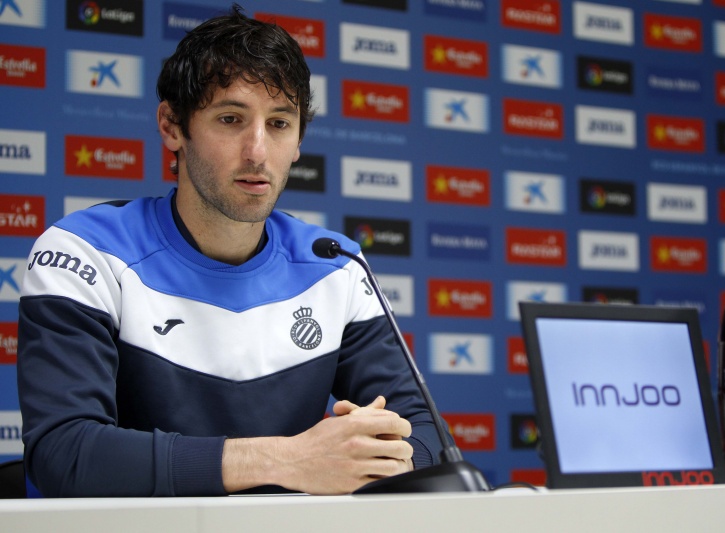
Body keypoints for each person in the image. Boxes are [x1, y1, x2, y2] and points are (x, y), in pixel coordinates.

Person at [16, 5, 443, 497]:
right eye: (230, 118)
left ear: (298, 141)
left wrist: (380, 453)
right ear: (172, 126)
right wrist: (287, 460)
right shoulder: (87, 253)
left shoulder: (335, 265)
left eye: (279, 123)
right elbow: (65, 454)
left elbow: (427, 436)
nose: (257, 152)